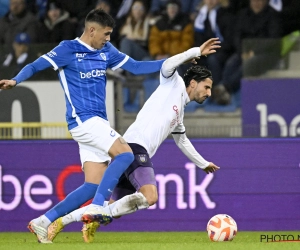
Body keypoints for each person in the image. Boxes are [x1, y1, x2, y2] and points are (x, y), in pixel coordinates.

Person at [0, 8, 166, 243]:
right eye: (106, 34)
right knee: (125, 154)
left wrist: (173, 61)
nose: (108, 39)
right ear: (91, 30)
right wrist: (16, 80)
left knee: (91, 185)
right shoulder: (67, 49)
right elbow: (37, 65)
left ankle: (43, 222)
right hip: (83, 121)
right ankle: (98, 206)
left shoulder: (106, 50)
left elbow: (137, 67)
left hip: (96, 123)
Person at [46, 38, 221, 243]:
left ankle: (65, 221)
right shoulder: (173, 82)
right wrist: (194, 52)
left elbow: (182, 141)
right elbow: (167, 64)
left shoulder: (179, 111)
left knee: (113, 209)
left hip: (131, 151)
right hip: (136, 148)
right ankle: (83, 217)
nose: (209, 93)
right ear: (193, 83)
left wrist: (203, 163)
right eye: (207, 87)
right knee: (150, 196)